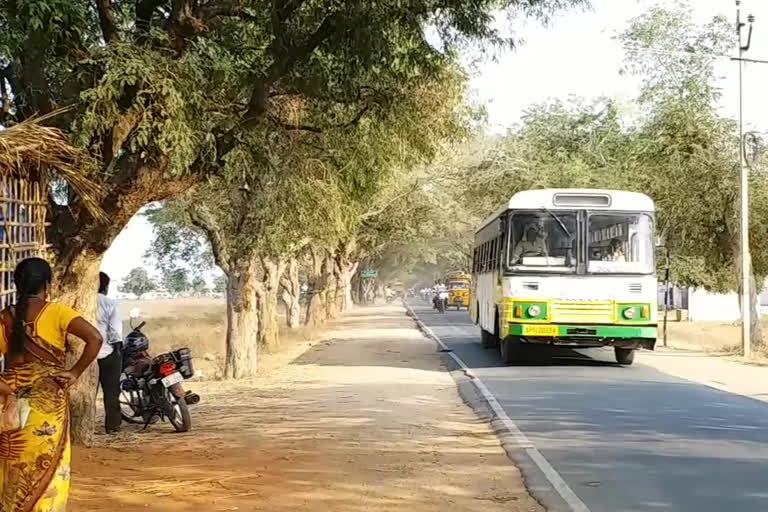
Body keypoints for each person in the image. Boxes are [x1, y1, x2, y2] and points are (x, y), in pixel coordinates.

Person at [0, 257, 102, 511]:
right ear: (47, 284)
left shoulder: (3, 318)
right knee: (49, 468)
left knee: (12, 467)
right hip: (48, 406)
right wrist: (75, 372)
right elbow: (95, 339)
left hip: (9, 403)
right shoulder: (56, 312)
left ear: (16, 284)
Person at [97, 272, 123, 434]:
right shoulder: (109, 303)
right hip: (107, 353)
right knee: (112, 392)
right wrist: (119, 351)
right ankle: (113, 426)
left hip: (84, 355)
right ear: (106, 287)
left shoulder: (79, 303)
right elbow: (115, 331)